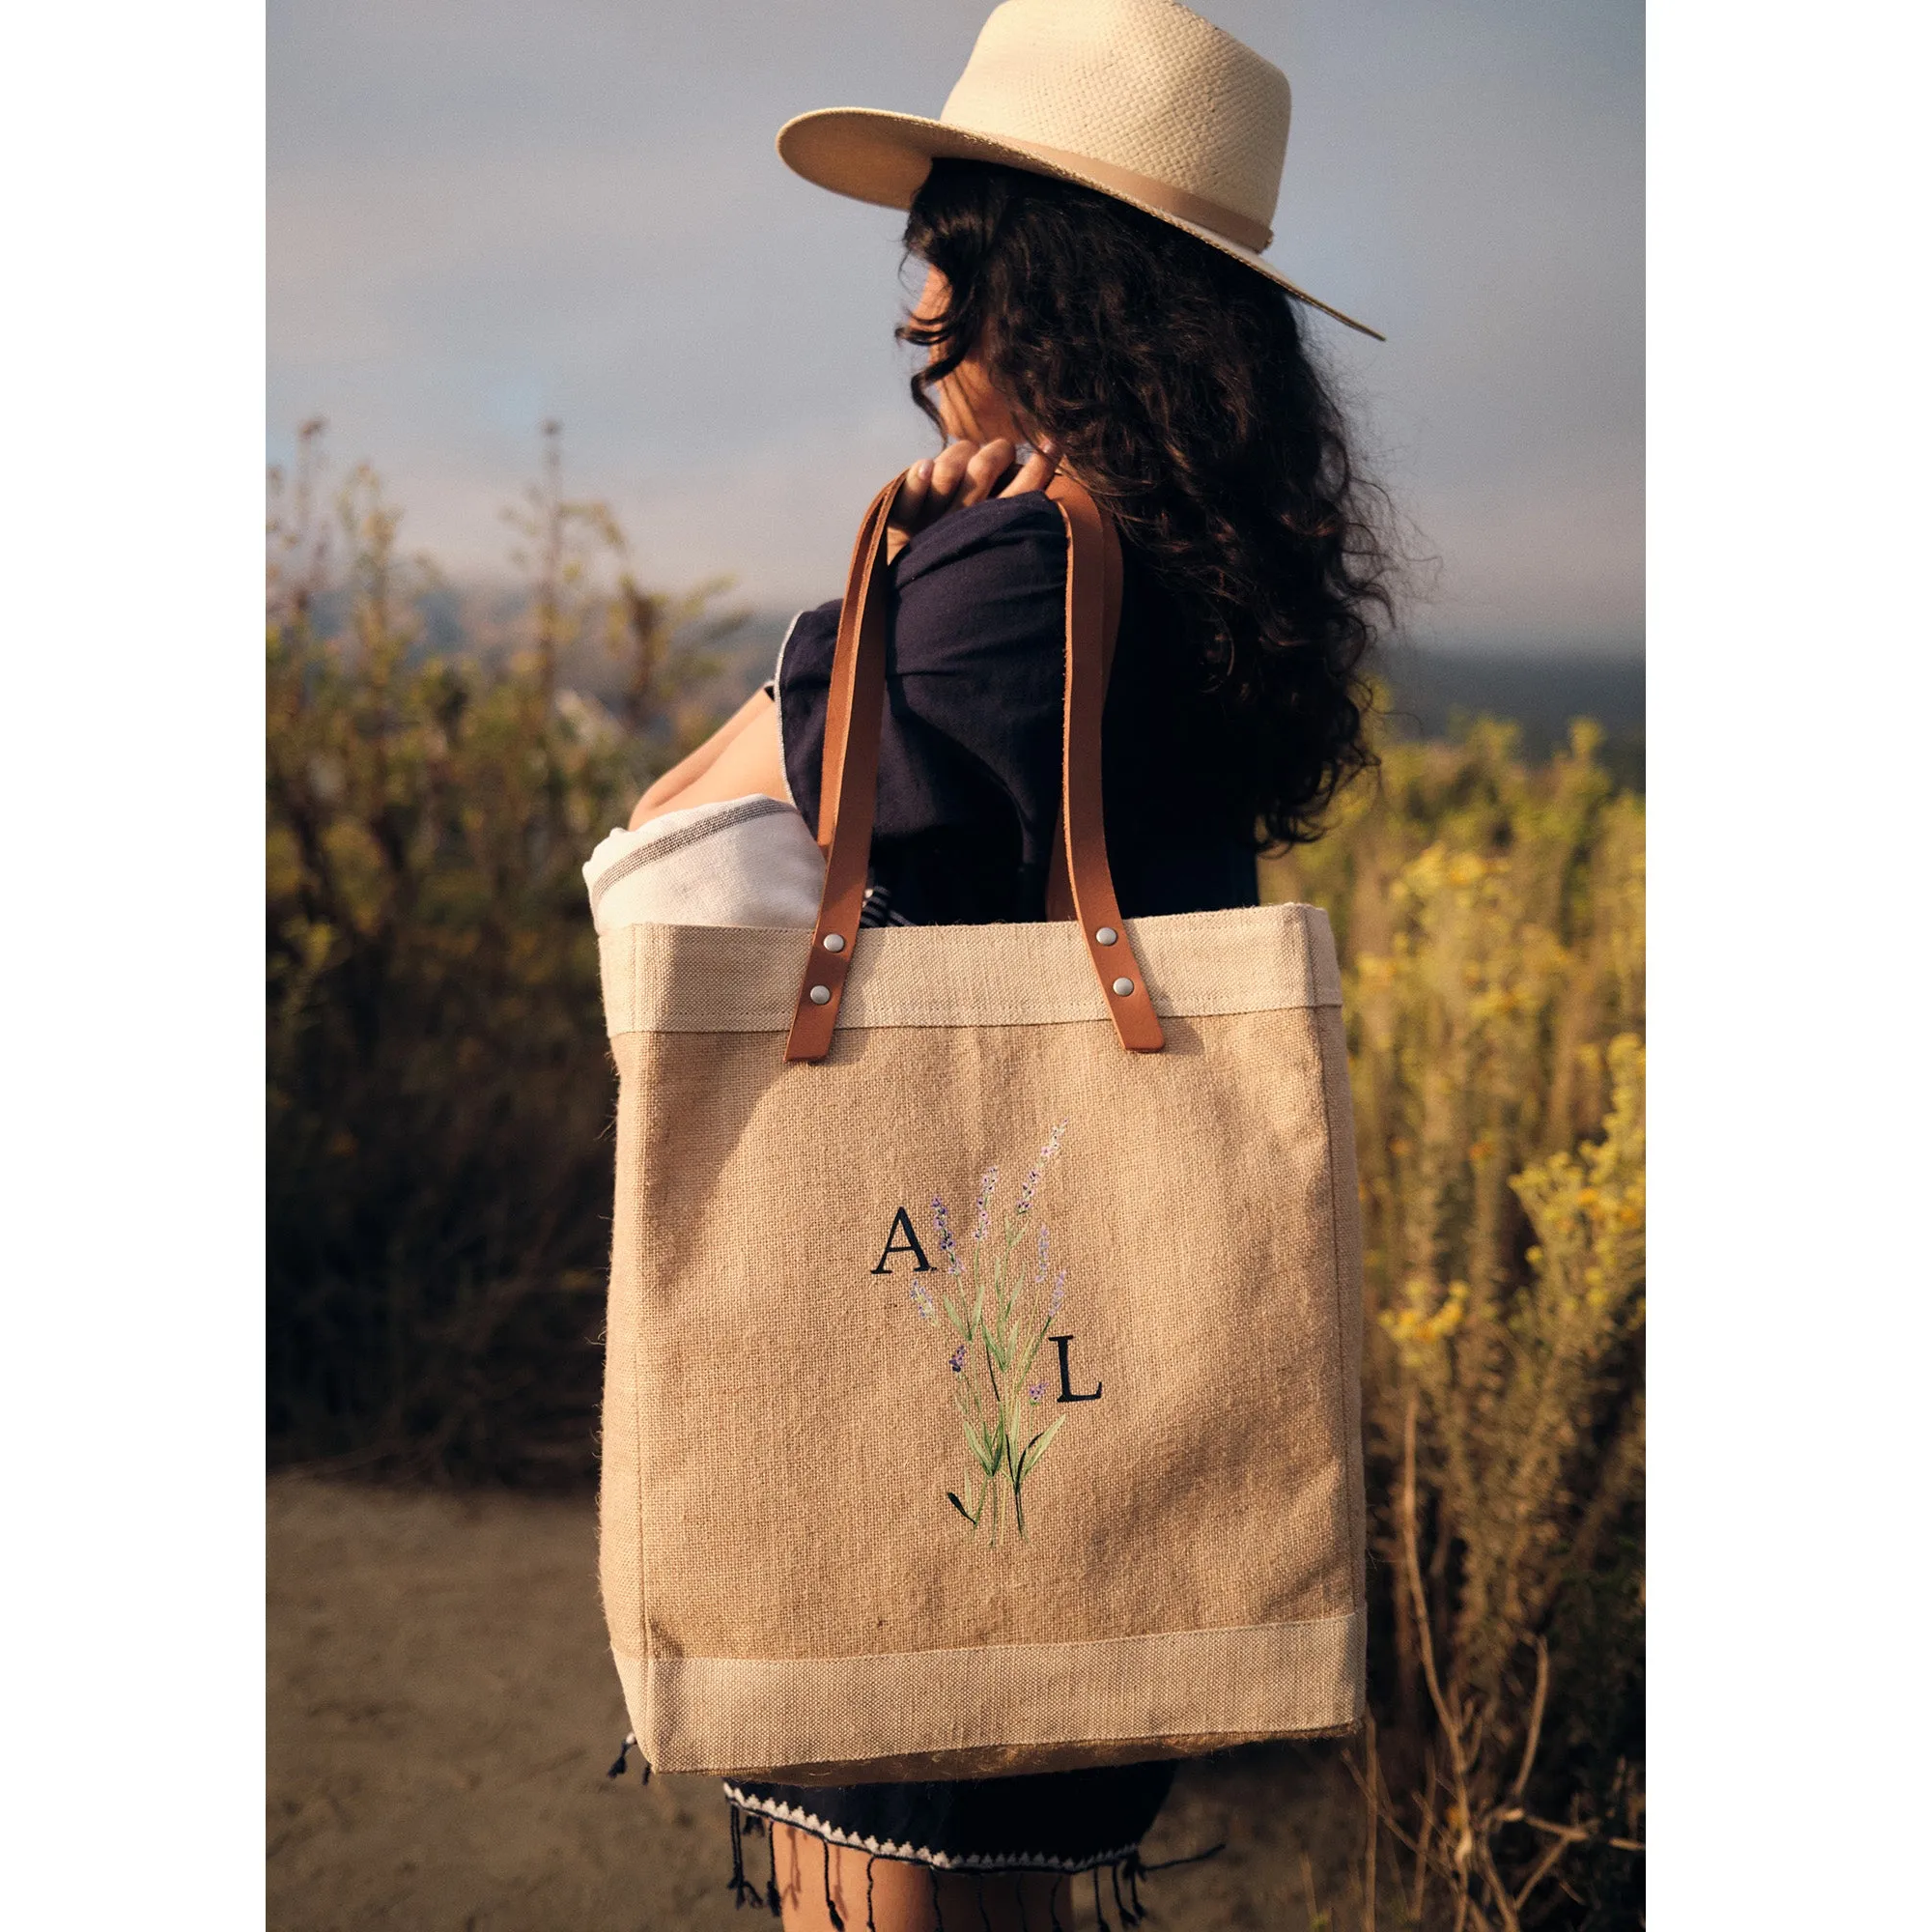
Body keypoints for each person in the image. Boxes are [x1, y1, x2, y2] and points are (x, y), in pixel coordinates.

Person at [623, 4, 1393, 1925]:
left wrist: (846, 607)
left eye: (937, 285)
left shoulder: (1007, 573)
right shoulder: (1204, 578)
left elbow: (669, 831)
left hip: (921, 1403)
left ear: (1030, 295)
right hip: (1094, 1387)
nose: (920, 340)